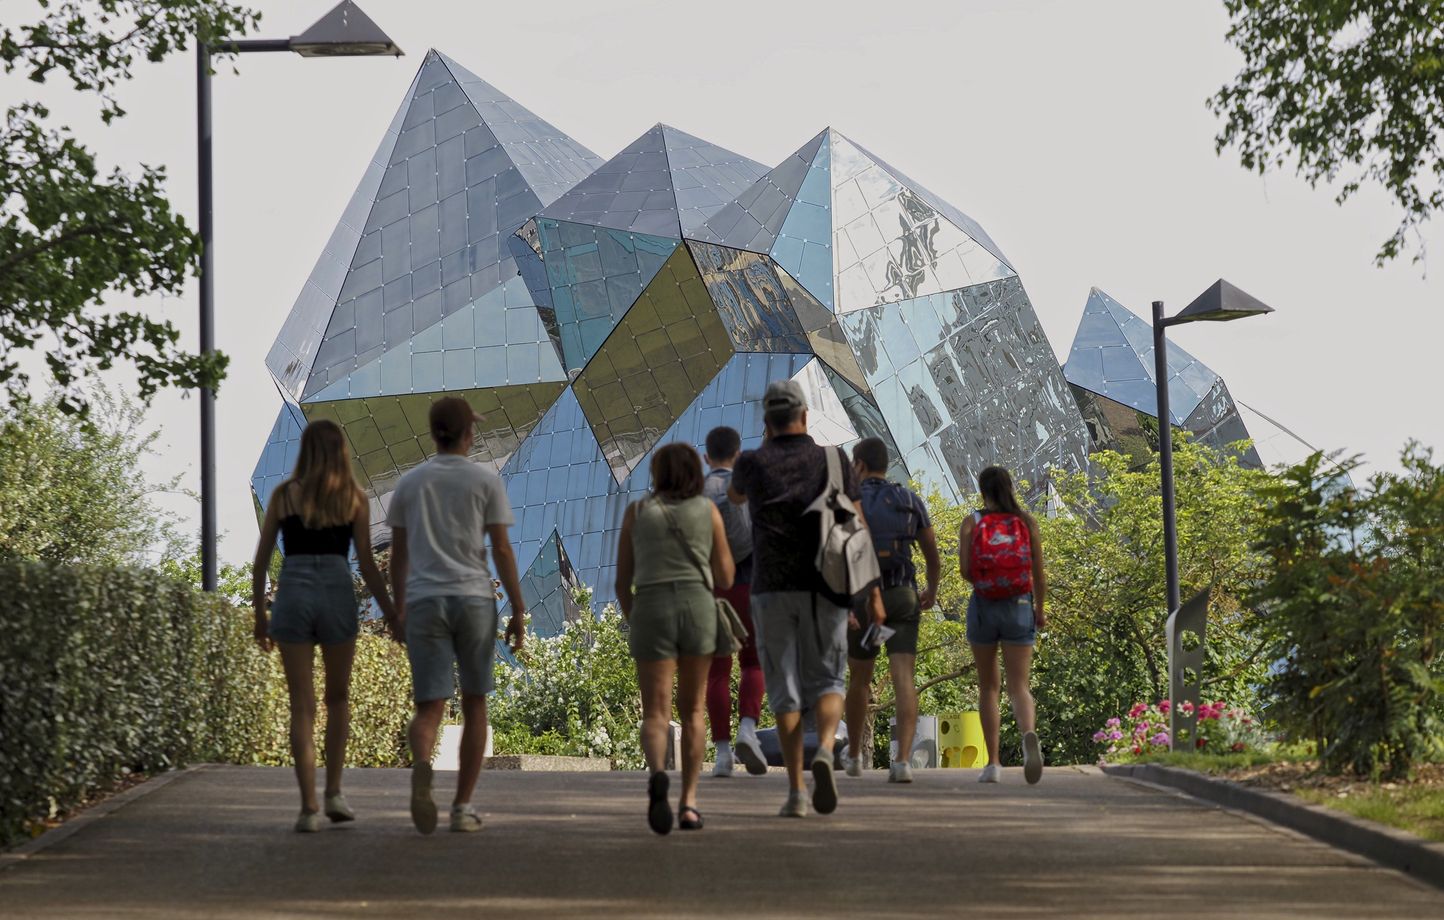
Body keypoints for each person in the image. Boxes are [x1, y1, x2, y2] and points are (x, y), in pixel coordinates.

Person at [729, 380, 885, 818]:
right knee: (831, 681)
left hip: (772, 590)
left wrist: (765, 445)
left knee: (786, 693)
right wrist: (871, 592)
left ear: (766, 422)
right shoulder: (834, 459)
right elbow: (856, 526)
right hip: (827, 587)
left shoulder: (752, 463)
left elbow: (735, 495)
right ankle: (826, 750)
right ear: (805, 417)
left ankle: (797, 791)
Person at [387, 396, 526, 834]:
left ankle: (424, 767)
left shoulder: (410, 484)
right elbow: (501, 548)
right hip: (472, 599)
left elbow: (398, 557)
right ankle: (462, 807)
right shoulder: (485, 481)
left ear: (433, 433)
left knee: (429, 707)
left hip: (426, 602)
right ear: (468, 433)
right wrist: (519, 608)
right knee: (476, 704)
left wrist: (398, 608)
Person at [251, 419, 397, 833]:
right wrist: (390, 612)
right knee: (338, 700)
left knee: (302, 705)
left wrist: (260, 615)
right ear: (340, 452)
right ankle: (334, 791)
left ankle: (309, 807)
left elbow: (262, 562)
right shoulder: (353, 498)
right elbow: (367, 564)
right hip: (335, 590)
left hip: (293, 590)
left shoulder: (283, 495)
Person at [616, 443, 735, 834]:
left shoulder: (637, 513)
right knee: (695, 710)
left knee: (655, 712)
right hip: (697, 610)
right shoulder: (709, 512)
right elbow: (726, 577)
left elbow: (622, 582)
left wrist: (638, 617)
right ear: (694, 475)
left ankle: (657, 776)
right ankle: (688, 803)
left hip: (651, 608)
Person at [842, 437, 941, 784]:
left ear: (859, 465)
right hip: (903, 594)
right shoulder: (909, 499)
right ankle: (901, 762)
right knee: (904, 678)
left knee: (859, 680)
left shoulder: (850, 503)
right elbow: (931, 553)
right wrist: (931, 588)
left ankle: (854, 755)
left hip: (864, 601)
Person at [959, 465, 1047, 785]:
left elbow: (965, 569)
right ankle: (1028, 735)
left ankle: (993, 763)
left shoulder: (973, 521)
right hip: (1020, 604)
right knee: (1019, 685)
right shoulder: (1026, 522)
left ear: (982, 490)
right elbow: (1038, 572)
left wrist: (986, 583)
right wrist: (1039, 608)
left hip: (984, 606)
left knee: (988, 687)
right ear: (1010, 486)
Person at [701, 426, 767, 777]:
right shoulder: (750, 491)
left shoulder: (695, 493)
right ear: (738, 455)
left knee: (716, 671)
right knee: (754, 662)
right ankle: (748, 728)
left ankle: (723, 754)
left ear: (706, 458)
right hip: (750, 585)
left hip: (710, 590)